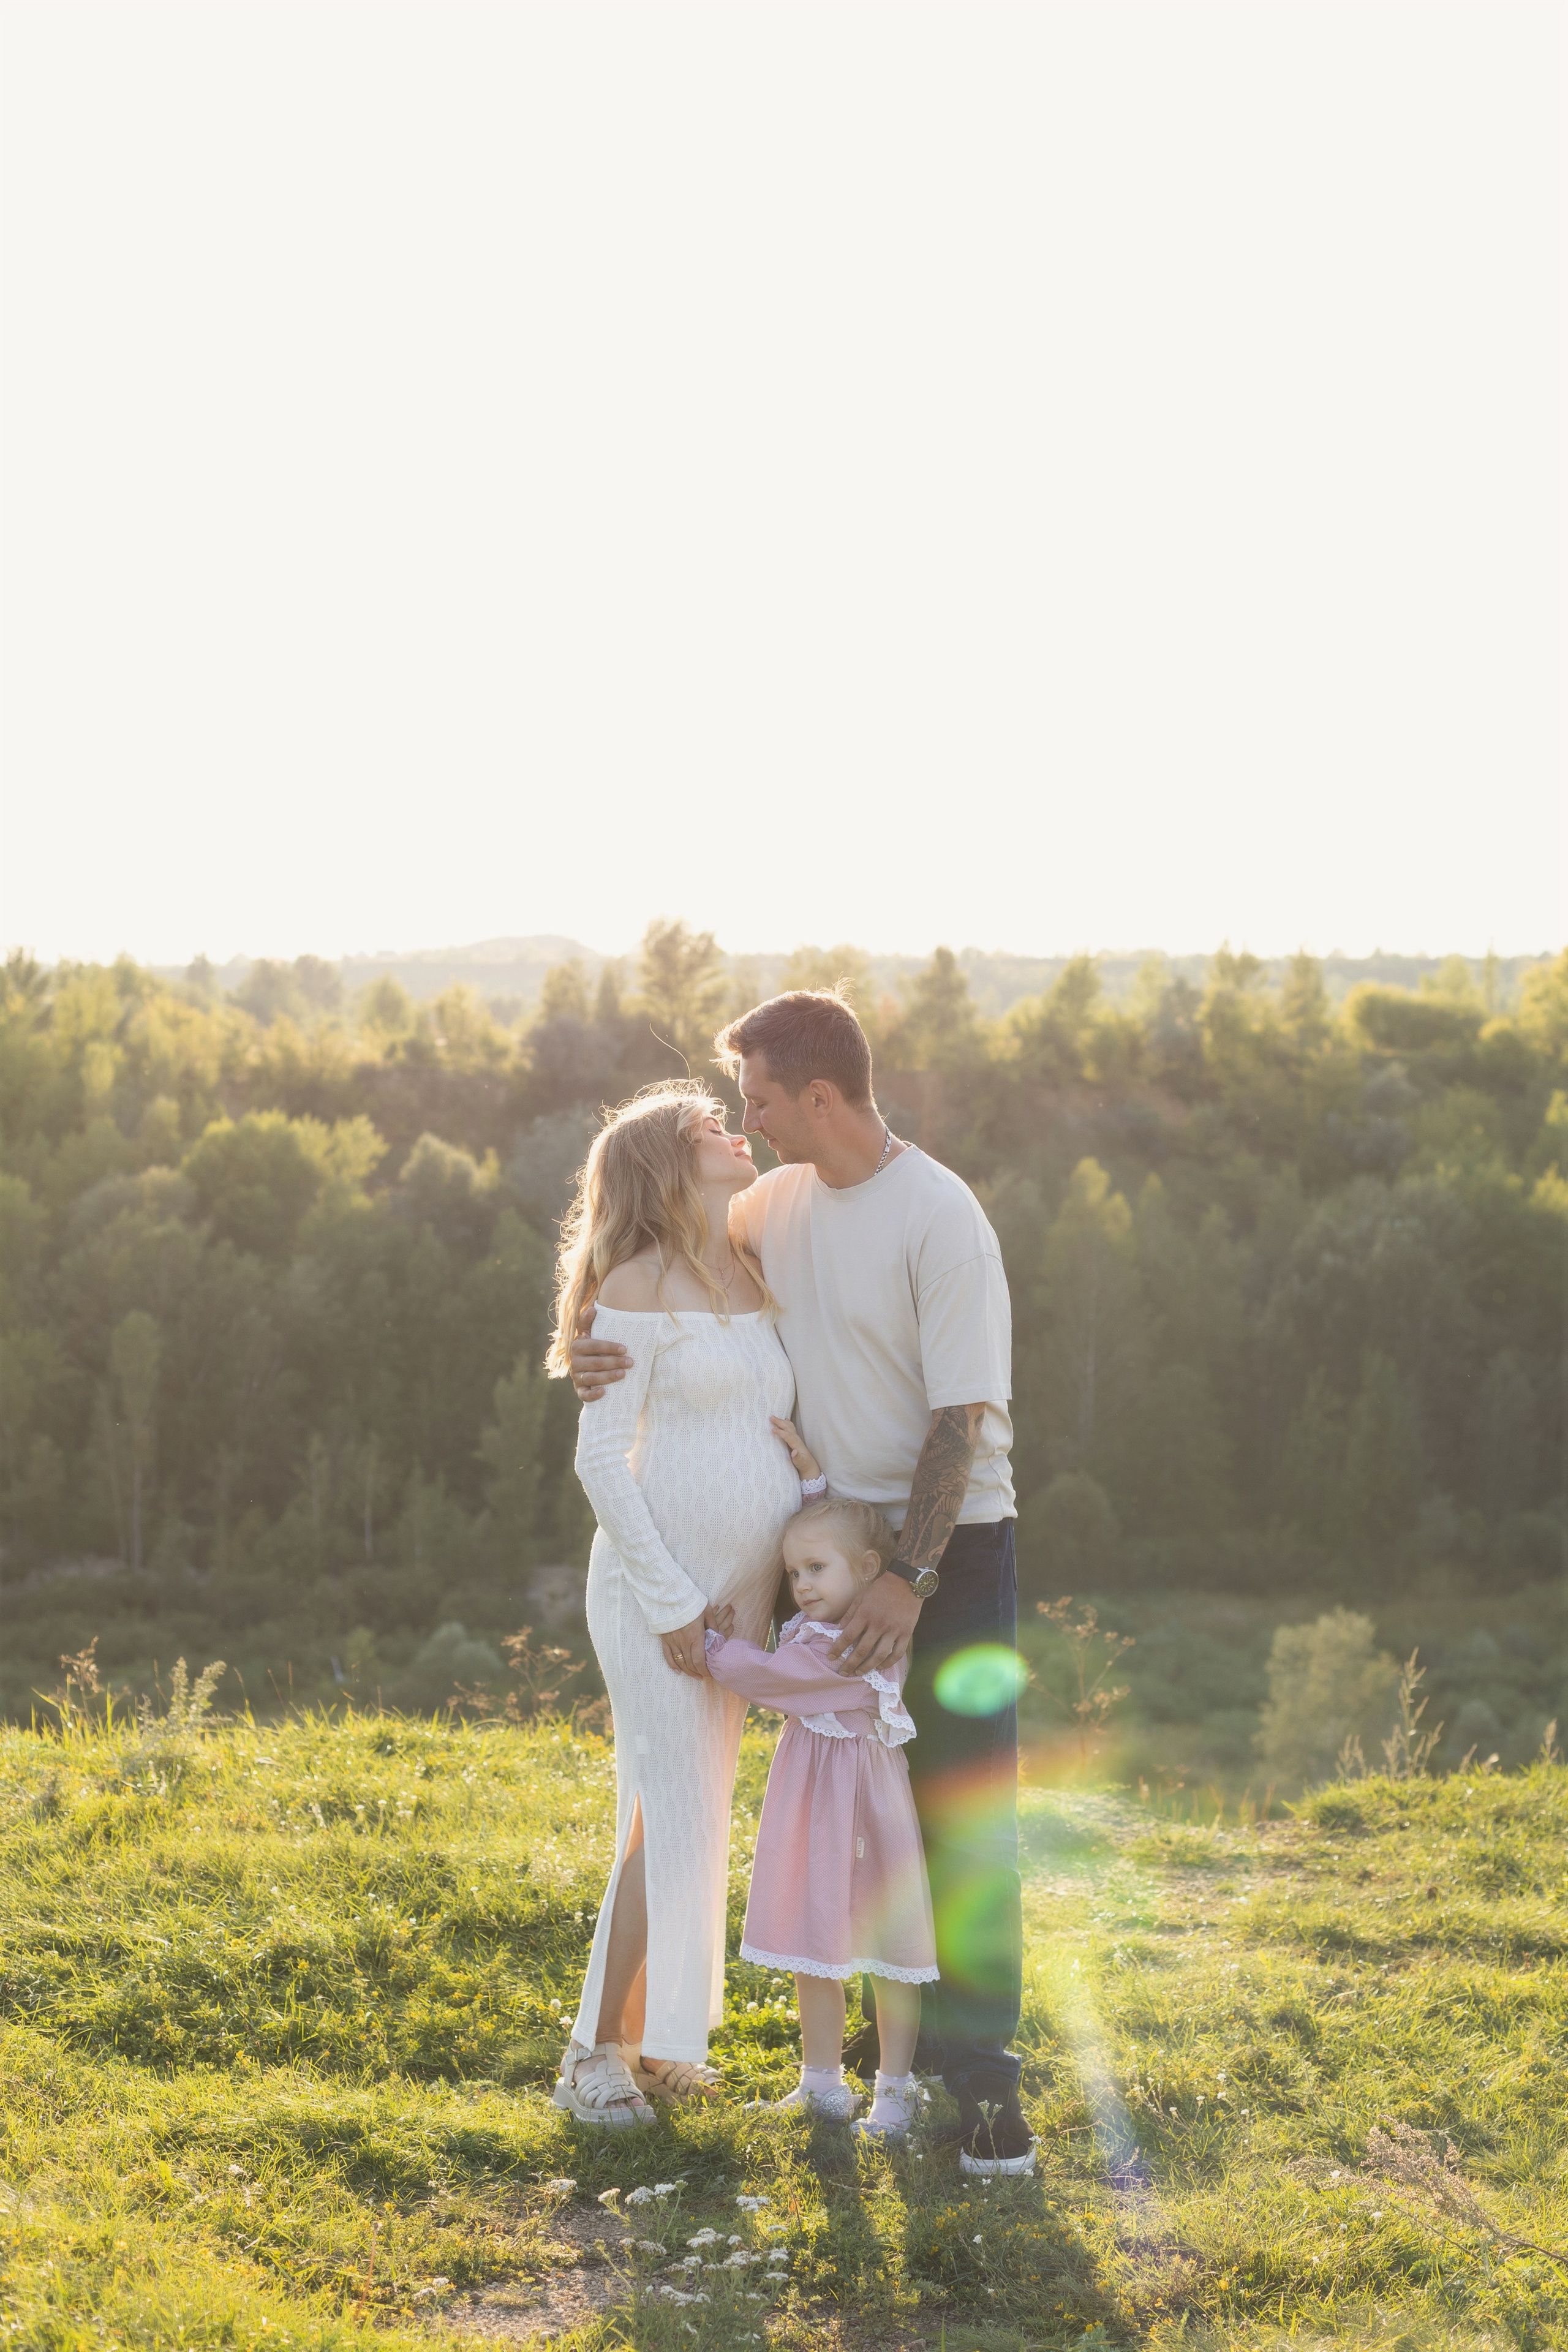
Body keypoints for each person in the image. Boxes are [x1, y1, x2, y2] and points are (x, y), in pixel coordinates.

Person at [571, 989, 1032, 2177]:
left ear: (816, 1095)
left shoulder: (938, 1217)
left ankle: (976, 2089)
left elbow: (959, 1419)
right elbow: (640, 1283)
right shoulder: (764, 1208)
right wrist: (586, 1336)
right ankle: (674, 2056)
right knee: (755, 1812)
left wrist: (911, 1575)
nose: (747, 1120)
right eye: (733, 1110)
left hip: (939, 1550)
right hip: (785, 1575)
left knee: (956, 1814)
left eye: (758, 1099)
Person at [548, 1080, 818, 2128]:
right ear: (664, 1163)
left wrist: (762, 1586)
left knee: (689, 1817)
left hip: (739, 1610)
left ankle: (660, 2049)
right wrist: (671, 1603)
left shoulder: (748, 1262)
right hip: (655, 1597)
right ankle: (590, 2058)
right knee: (671, 1817)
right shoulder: (639, 1279)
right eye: (708, 1127)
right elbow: (601, 1460)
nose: (733, 1131)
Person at [704, 1485, 937, 2141]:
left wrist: (712, 1644)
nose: (801, 1585)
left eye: (815, 1570)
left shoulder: (859, 1643)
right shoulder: (820, 1626)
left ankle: (893, 2091)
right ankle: (820, 2083)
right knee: (816, 1943)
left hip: (864, 1812)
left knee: (888, 1950)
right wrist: (810, 1481)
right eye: (793, 1573)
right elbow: (832, 1534)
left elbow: (776, 1678)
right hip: (817, 1806)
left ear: (867, 1569)